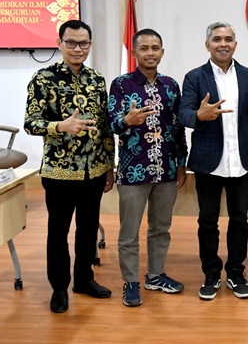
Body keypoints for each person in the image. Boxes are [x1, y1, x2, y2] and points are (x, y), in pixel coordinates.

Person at [24, 19, 115, 314]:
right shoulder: (43, 78)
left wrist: (110, 164)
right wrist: (59, 126)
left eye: (83, 43)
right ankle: (59, 288)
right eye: (72, 43)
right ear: (60, 43)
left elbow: (105, 126)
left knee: (87, 230)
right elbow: (30, 123)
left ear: (90, 45)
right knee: (58, 232)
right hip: (60, 171)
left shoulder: (97, 79)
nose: (78, 48)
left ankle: (84, 280)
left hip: (94, 169)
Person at [179, 22, 248, 301]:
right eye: (217, 39)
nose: (223, 44)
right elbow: (183, 113)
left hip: (241, 162)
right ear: (208, 45)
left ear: (235, 44)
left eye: (228, 39)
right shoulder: (194, 77)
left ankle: (236, 273)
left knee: (240, 220)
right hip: (209, 163)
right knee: (208, 221)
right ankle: (211, 273)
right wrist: (199, 116)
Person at [108, 28, 188, 308]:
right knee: (129, 231)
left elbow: (178, 128)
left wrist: (181, 163)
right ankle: (130, 281)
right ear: (134, 52)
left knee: (161, 228)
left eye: (155, 48)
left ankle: (155, 275)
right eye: (144, 48)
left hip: (166, 169)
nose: (150, 53)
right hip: (133, 170)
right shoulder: (121, 85)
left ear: (162, 52)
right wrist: (127, 120)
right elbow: (112, 124)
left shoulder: (171, 85)